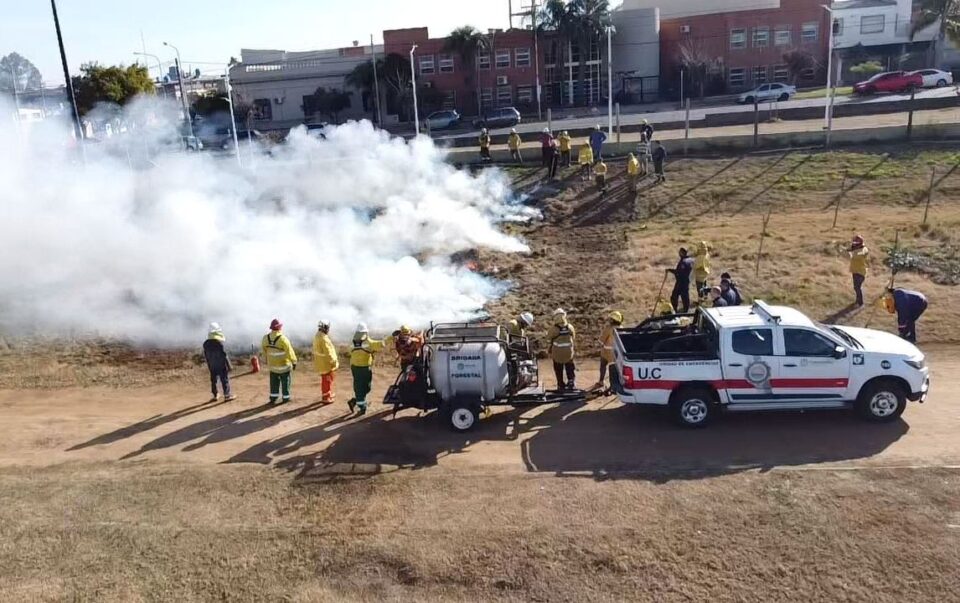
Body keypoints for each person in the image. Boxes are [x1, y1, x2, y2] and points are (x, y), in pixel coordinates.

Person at [348, 323, 385, 415]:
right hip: (364, 367)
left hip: (355, 367)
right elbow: (376, 345)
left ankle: (355, 401)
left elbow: (350, 351)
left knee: (362, 386)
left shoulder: (352, 341)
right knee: (363, 387)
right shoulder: (366, 341)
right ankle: (362, 407)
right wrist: (387, 340)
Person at [261, 319, 298, 405]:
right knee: (285, 382)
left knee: (273, 382)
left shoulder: (265, 338)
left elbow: (264, 351)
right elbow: (289, 351)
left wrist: (266, 360)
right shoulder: (283, 339)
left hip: (272, 366)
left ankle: (273, 397)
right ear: (279, 328)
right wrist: (294, 361)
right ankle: (285, 398)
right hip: (284, 366)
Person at [203, 322, 235, 403]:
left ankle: (215, 395)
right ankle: (227, 395)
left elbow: (206, 356)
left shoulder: (206, 344)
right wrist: (229, 366)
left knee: (213, 380)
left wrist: (209, 364)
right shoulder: (219, 343)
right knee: (224, 379)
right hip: (221, 365)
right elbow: (224, 355)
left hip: (212, 365)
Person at [547, 308, 576, 391]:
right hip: (568, 353)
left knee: (558, 369)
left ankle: (560, 384)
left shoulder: (553, 329)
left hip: (557, 354)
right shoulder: (570, 327)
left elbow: (548, 340)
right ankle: (571, 382)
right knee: (570, 367)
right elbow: (573, 337)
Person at [596, 311, 623, 392]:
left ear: (613, 320)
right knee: (614, 369)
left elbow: (601, 340)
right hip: (616, 352)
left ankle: (601, 382)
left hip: (606, 351)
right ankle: (615, 385)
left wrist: (601, 343)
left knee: (603, 366)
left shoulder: (608, 328)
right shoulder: (621, 328)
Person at [312, 320, 338, 404]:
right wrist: (333, 362)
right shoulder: (323, 339)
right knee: (327, 380)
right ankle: (326, 397)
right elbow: (329, 353)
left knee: (326, 380)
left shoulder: (318, 336)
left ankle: (328, 394)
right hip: (326, 363)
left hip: (321, 362)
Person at [667, 247, 695, 313]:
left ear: (682, 253)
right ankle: (686, 309)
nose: (678, 253)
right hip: (687, 280)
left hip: (681, 282)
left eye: (679, 252)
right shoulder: (690, 260)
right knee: (685, 296)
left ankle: (674, 309)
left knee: (674, 296)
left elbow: (678, 272)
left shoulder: (683, 262)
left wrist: (670, 270)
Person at [849, 235, 869, 307]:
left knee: (857, 287)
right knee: (856, 287)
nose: (854, 244)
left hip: (861, 271)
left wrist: (852, 253)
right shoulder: (855, 249)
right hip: (855, 271)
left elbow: (860, 255)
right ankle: (858, 301)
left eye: (855, 243)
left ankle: (860, 303)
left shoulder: (864, 249)